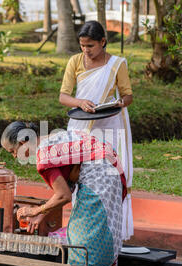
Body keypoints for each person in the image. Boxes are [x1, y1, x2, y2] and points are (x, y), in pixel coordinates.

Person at [0, 121, 127, 266]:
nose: (15, 156)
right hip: (110, 170)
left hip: (98, 178)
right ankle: (106, 264)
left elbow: (64, 195)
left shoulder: (44, 156)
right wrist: (42, 214)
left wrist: (34, 211)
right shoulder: (53, 137)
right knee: (103, 223)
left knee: (84, 232)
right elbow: (70, 181)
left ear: (22, 142)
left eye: (13, 151)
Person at [59, 20, 134, 241]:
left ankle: (111, 232)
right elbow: (63, 96)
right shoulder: (75, 61)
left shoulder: (117, 64)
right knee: (80, 174)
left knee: (108, 175)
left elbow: (128, 96)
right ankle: (81, 231)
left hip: (109, 124)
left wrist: (118, 104)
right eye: (83, 45)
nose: (86, 50)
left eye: (90, 46)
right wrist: (80, 102)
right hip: (80, 123)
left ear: (103, 42)